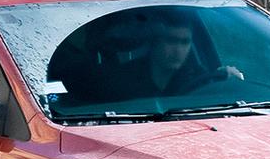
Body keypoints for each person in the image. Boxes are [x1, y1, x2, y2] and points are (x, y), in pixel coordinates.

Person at [104, 10, 243, 101]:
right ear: (155, 41)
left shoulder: (200, 79)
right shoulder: (123, 78)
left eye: (185, 42)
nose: (178, 50)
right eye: (171, 41)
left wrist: (227, 81)